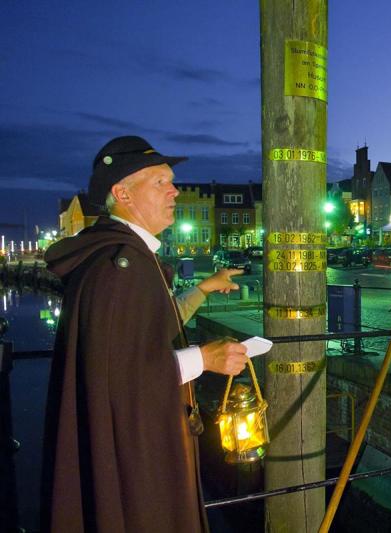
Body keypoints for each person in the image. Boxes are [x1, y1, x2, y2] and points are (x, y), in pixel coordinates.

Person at [41, 136, 251, 532]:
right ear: (123, 194)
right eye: (160, 182)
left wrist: (203, 288)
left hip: (136, 443)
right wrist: (204, 359)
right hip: (137, 460)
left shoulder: (123, 257)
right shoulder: (121, 266)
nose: (174, 191)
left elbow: (143, 332)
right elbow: (120, 378)